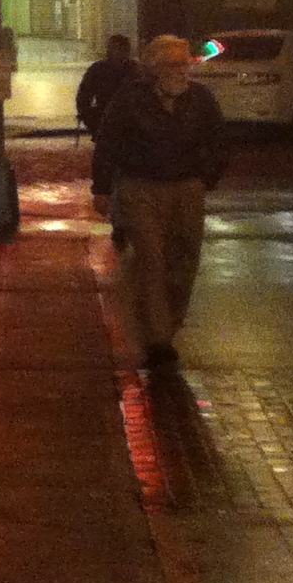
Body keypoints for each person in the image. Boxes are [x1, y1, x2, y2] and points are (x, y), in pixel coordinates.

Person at [92, 34, 228, 367]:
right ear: (153, 68)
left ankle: (170, 321)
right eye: (170, 64)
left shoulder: (201, 99)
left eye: (182, 63)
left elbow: (220, 141)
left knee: (184, 260)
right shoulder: (130, 100)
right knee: (150, 259)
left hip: (187, 187)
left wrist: (206, 177)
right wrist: (102, 188)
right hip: (141, 187)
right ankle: (158, 339)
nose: (178, 70)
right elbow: (108, 142)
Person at [76, 33, 136, 199]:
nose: (112, 52)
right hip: (105, 120)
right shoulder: (98, 69)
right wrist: (90, 120)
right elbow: (84, 96)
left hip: (128, 124)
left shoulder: (134, 70)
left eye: (116, 49)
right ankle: (105, 190)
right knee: (105, 158)